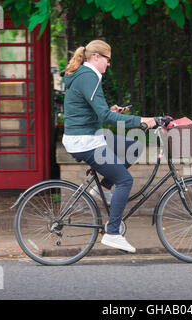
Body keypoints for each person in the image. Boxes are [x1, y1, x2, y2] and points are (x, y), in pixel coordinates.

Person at [62, 40, 156, 253]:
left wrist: (112, 110)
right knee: (125, 180)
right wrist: (142, 120)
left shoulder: (85, 75)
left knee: (133, 146)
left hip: (88, 135)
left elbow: (95, 109)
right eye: (107, 59)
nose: (108, 64)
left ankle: (102, 188)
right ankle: (113, 233)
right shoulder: (89, 76)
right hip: (84, 140)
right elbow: (105, 116)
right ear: (96, 57)